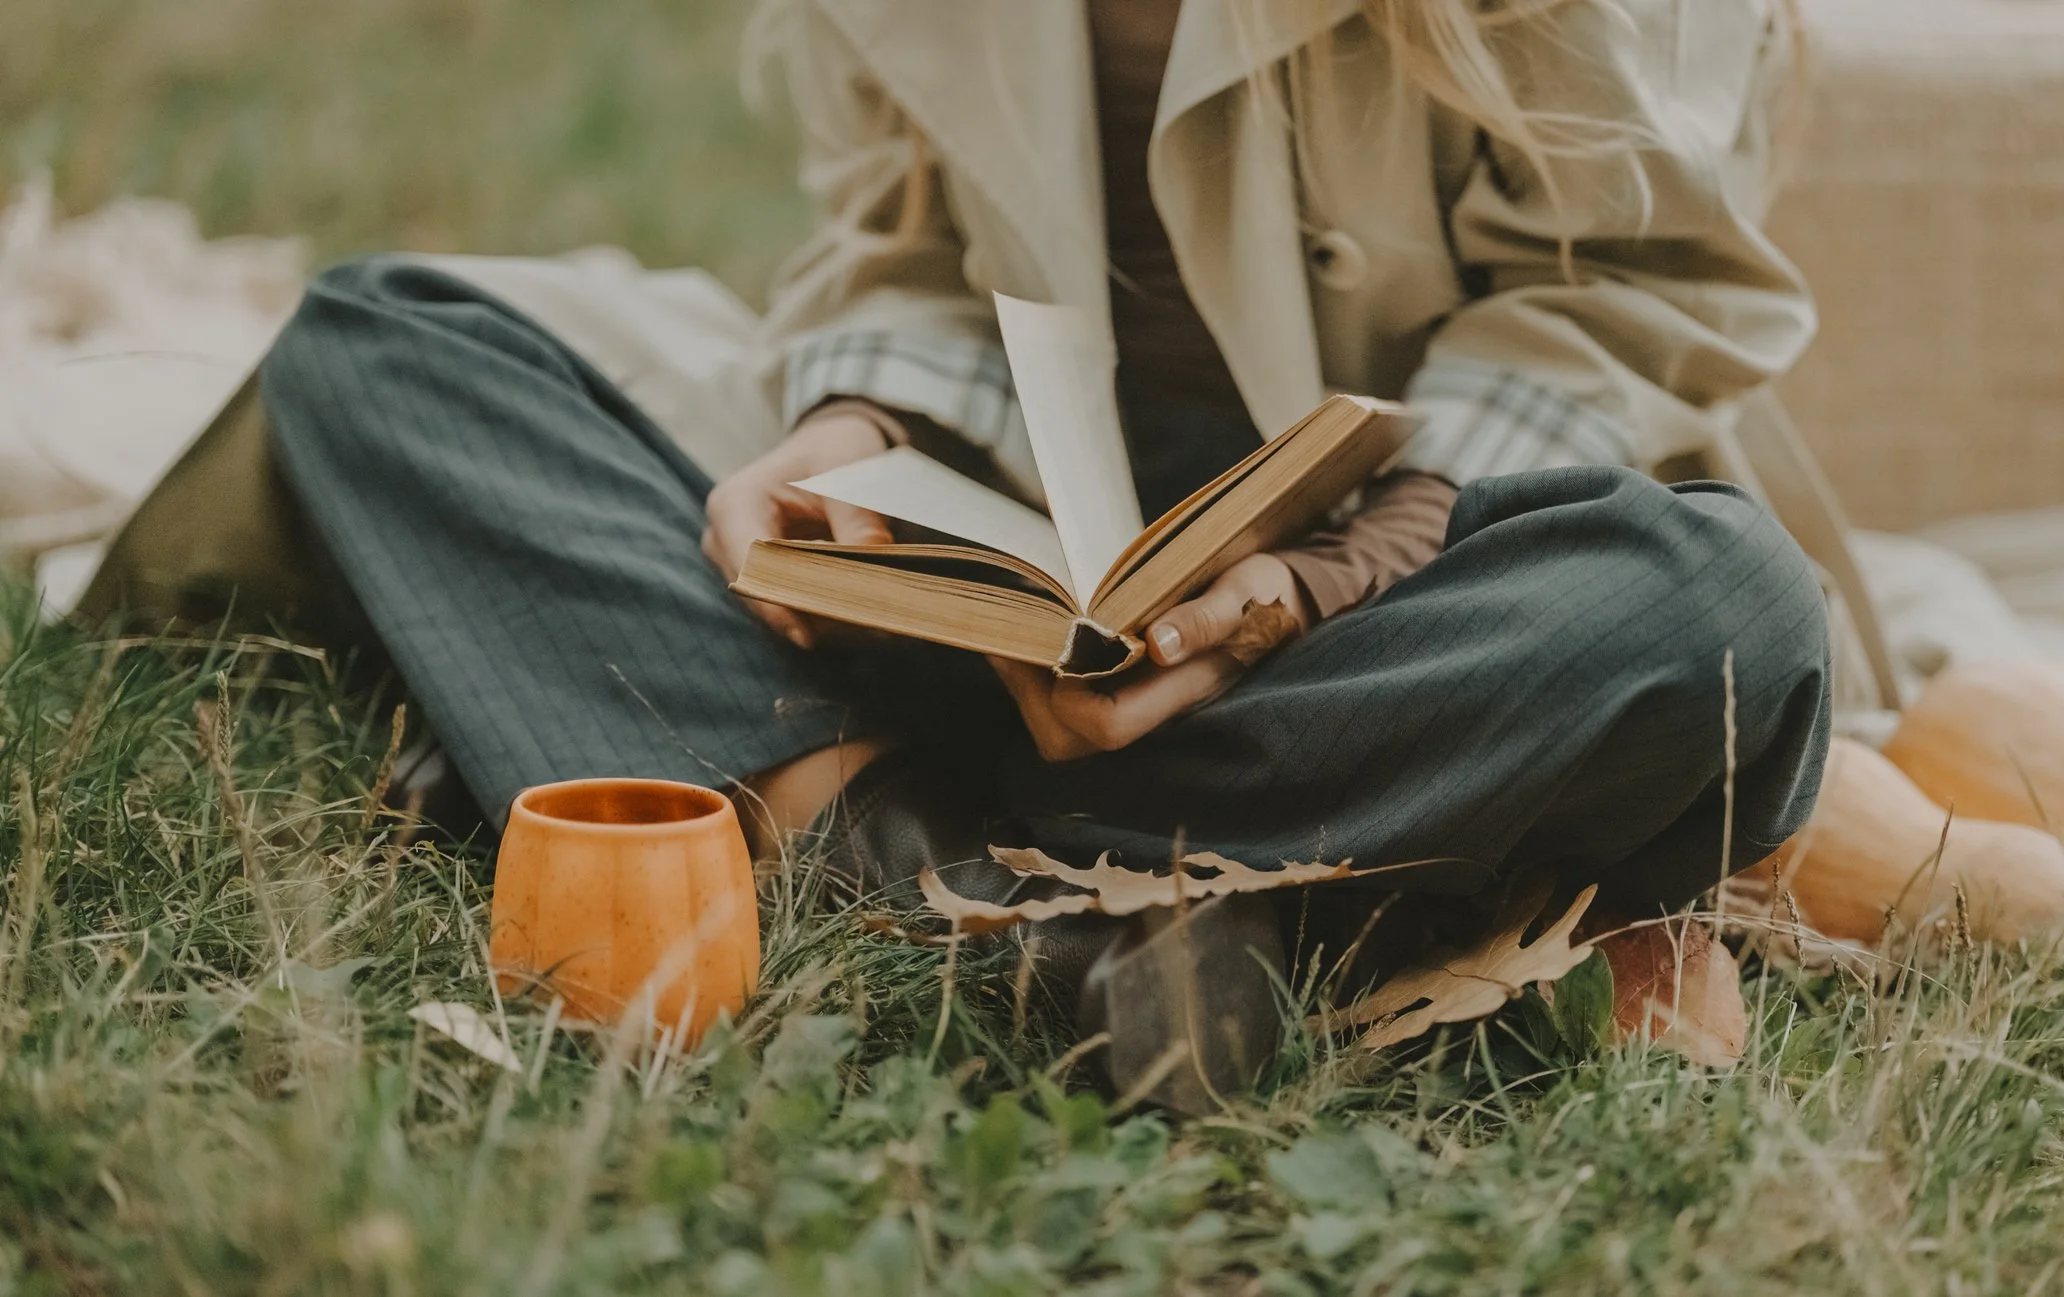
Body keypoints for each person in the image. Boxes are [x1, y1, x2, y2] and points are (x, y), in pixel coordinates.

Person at [91, 0, 1835, 1110]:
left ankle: (811, 804)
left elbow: (1634, 293)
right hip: (1025, 508)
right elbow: (909, 237)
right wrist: (863, 430)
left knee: (1717, 607)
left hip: (1412, 550)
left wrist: (1336, 566)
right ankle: (998, 881)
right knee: (384, 342)